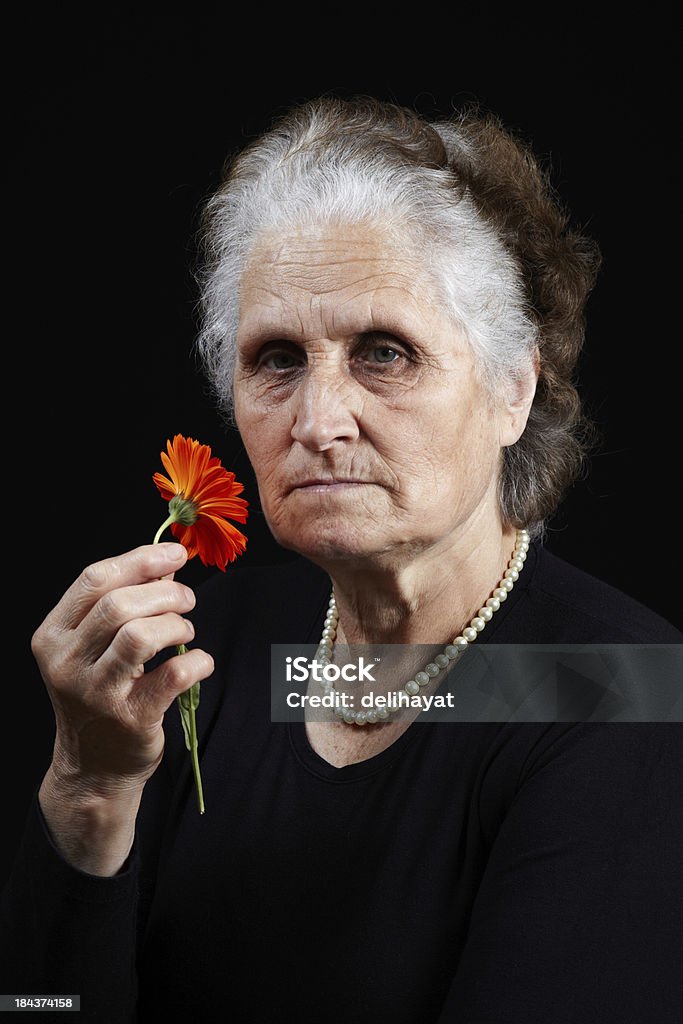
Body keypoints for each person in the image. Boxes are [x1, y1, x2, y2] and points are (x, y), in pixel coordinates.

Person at [2, 96, 681, 1023]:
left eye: (385, 353)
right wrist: (89, 787)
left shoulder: (605, 685)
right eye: (276, 359)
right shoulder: (213, 653)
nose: (318, 422)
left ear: (511, 389)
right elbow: (44, 1008)